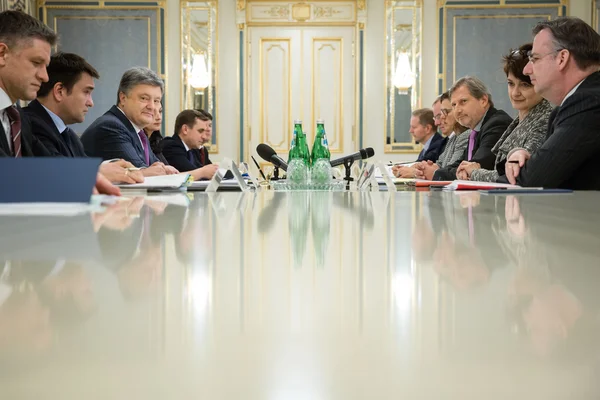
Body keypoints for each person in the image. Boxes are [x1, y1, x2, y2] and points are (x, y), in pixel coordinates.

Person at [0, 10, 122, 195]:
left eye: (45, 66)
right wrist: (86, 174)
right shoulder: (26, 119)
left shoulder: (16, 118)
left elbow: (42, 167)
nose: (44, 76)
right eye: (36, 62)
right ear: (2, 54)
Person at [505, 17, 600, 189]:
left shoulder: (588, 102)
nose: (527, 70)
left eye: (535, 59)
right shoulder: (573, 104)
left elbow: (535, 179)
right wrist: (524, 157)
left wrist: (524, 168)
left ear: (562, 58)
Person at [24, 52, 144, 185]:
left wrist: (110, 168)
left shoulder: (69, 135)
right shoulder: (28, 124)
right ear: (59, 91)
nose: (91, 103)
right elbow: (52, 174)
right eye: (86, 92)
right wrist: (97, 171)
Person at [457, 44, 553, 182]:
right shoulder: (520, 121)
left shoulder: (544, 121)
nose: (515, 93)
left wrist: (475, 173)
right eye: (511, 84)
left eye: (525, 85)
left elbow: (516, 177)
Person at [81, 67, 178, 177]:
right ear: (123, 98)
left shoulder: (138, 131)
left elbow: (157, 167)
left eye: (156, 101)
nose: (152, 107)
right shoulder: (111, 126)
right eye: (144, 98)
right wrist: (158, 170)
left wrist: (163, 169)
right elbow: (141, 174)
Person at [433, 76, 512, 181]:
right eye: (454, 105)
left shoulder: (497, 124)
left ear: (483, 100)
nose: (457, 111)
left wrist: (439, 173)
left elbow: (479, 166)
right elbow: (461, 164)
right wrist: (439, 173)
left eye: (463, 101)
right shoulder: (475, 131)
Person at [415, 91, 470, 180]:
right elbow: (440, 163)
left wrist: (430, 171)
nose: (441, 118)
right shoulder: (453, 138)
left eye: (445, 112)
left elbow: (452, 169)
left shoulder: (465, 135)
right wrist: (424, 168)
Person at [161, 109, 219, 180]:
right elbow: (193, 172)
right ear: (185, 129)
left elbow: (209, 171)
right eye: (200, 131)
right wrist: (204, 172)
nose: (203, 136)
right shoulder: (171, 146)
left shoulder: (194, 149)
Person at [392, 108, 445, 178]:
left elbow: (421, 168)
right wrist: (402, 169)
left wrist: (404, 170)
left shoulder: (439, 145)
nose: (410, 131)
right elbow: (415, 165)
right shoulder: (426, 148)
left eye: (414, 127)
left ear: (427, 128)